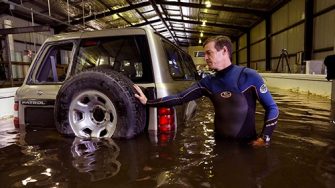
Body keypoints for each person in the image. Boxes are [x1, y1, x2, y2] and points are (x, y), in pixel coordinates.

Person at [134, 36, 279, 147]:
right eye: (205, 54)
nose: (206, 58)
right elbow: (180, 97)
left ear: (224, 51)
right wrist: (148, 102)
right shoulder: (208, 82)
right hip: (219, 145)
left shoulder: (249, 76)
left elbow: (272, 108)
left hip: (247, 145)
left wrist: (264, 138)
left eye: (209, 53)